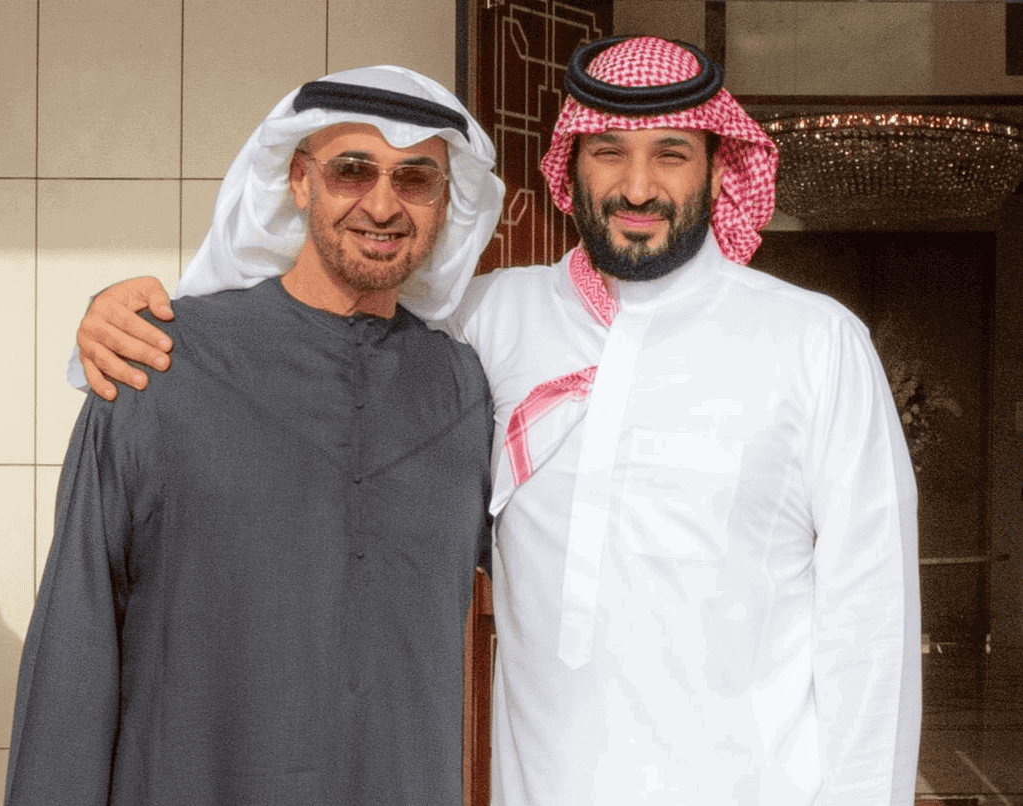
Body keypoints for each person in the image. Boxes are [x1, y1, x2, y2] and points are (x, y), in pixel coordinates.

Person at [69, 37, 922, 805]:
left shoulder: (813, 343)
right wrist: (121, 320)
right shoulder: (488, 318)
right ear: (568, 168)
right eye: (608, 152)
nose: (637, 187)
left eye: (670, 154)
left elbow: (871, 620)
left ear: (717, 168)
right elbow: (320, 336)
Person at [5, 66, 505, 806]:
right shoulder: (160, 365)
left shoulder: (463, 389)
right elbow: (75, 639)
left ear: (445, 201)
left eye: (415, 179)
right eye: (352, 170)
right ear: (300, 180)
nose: (382, 205)